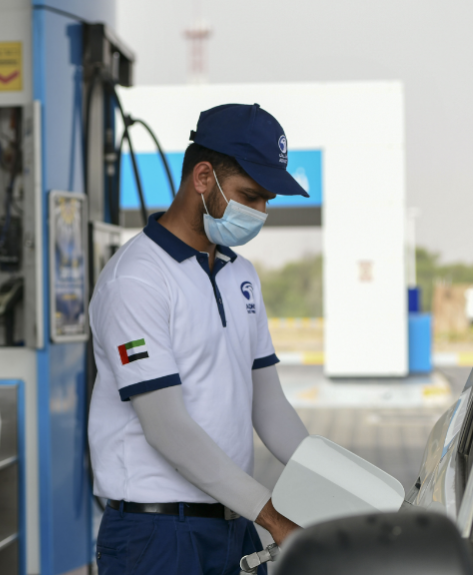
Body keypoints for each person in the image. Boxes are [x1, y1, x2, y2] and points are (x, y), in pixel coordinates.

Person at [88, 103, 310, 574]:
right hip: (156, 537)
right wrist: (270, 514)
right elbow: (166, 425)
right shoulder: (137, 280)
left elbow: (270, 408)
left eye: (267, 200)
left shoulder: (240, 274)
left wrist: (348, 488)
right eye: (250, 196)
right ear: (203, 178)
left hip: (234, 526)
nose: (260, 212)